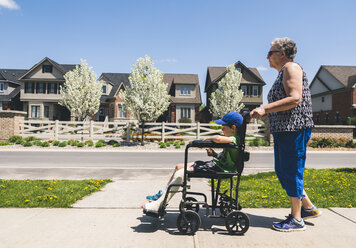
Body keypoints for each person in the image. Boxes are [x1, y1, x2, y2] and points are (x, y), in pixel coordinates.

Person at [250, 37, 321, 232]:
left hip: (294, 129)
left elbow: (295, 98)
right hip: (284, 130)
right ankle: (307, 207)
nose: (267, 56)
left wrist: (264, 109)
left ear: (282, 53)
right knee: (283, 171)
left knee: (291, 171)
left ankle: (297, 220)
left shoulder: (291, 68)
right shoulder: (283, 71)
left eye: (270, 52)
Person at [141, 111, 243, 212]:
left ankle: (158, 204)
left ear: (233, 128)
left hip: (219, 168)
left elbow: (218, 138)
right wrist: (214, 154)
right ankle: (163, 193)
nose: (222, 128)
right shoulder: (232, 139)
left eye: (224, 126)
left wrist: (208, 139)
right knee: (179, 167)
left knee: (182, 172)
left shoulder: (235, 139)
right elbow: (227, 158)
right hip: (217, 165)